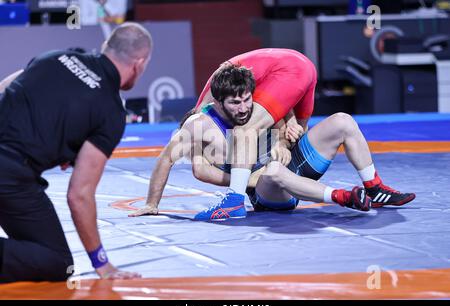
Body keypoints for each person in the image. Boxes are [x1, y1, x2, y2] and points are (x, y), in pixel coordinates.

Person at [135, 64, 414, 220]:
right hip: (269, 190)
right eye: (235, 103)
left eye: (247, 100)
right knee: (273, 171)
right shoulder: (199, 126)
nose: (244, 108)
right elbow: (172, 161)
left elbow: (281, 116)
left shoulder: (254, 104)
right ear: (218, 102)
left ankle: (374, 188)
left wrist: (284, 138)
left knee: (342, 120)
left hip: (294, 161)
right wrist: (151, 203)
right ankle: (342, 197)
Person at [0, 22, 152, 283]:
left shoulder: (57, 56)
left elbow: (6, 88)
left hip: (10, 171)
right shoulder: (110, 111)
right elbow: (79, 195)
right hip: (10, 174)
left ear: (106, 47)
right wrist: (102, 264)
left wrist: (61, 144)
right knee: (57, 262)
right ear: (139, 64)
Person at [194, 48, 318, 219]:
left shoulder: (219, 89)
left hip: (292, 70)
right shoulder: (236, 81)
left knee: (247, 130)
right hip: (304, 67)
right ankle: (369, 187)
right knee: (296, 131)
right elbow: (279, 95)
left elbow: (192, 167)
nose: (242, 108)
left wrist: (282, 139)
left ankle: (235, 200)